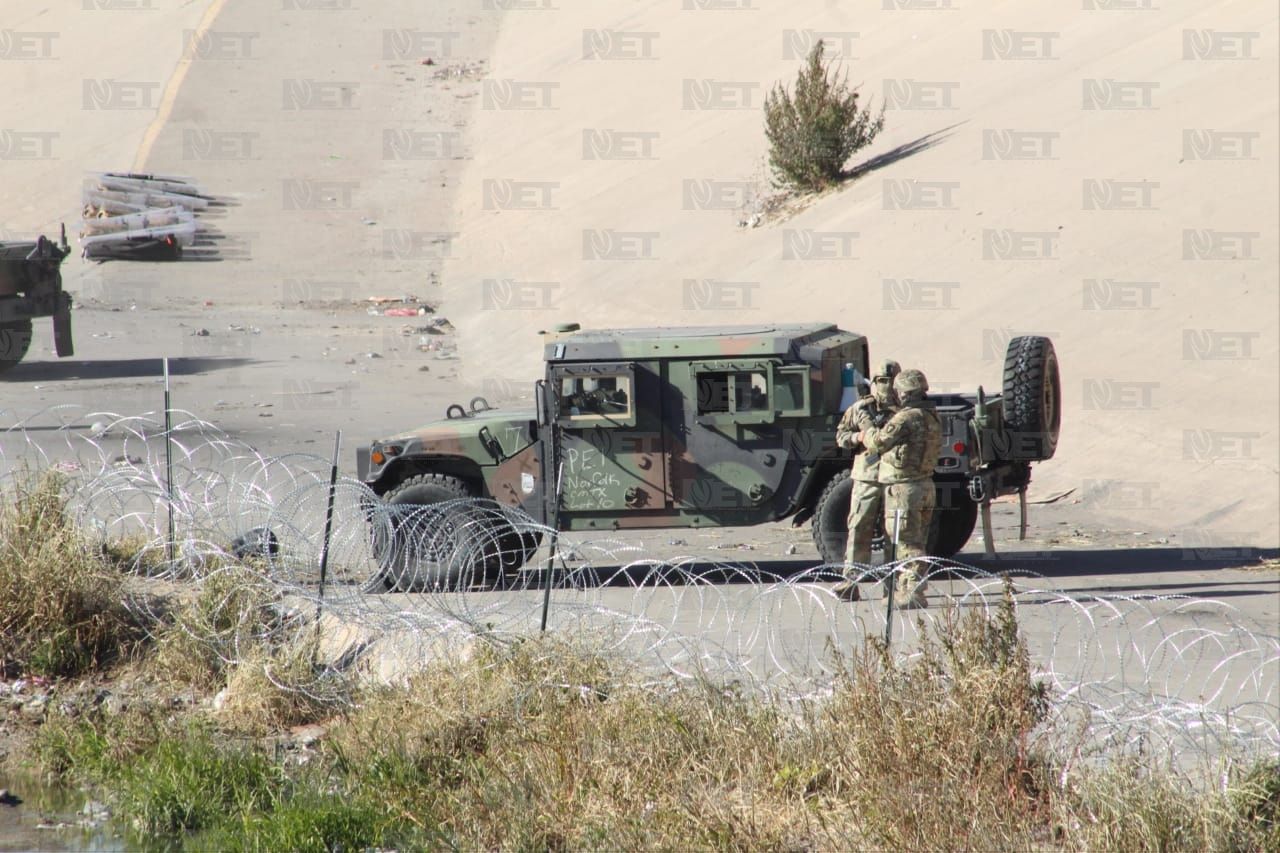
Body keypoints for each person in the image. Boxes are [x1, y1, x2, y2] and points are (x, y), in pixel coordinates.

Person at [858, 368, 942, 609]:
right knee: (917, 541)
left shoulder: (905, 418)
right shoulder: (933, 415)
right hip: (925, 485)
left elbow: (878, 442)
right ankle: (907, 588)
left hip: (905, 488)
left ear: (905, 393)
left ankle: (914, 592)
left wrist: (866, 428)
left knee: (907, 543)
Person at [831, 359, 900, 602]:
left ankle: (893, 586)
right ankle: (851, 581)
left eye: (891, 381)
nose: (886, 386)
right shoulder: (860, 409)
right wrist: (858, 436)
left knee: (896, 532)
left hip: (896, 476)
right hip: (867, 476)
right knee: (859, 527)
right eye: (881, 381)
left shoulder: (906, 411)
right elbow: (841, 436)